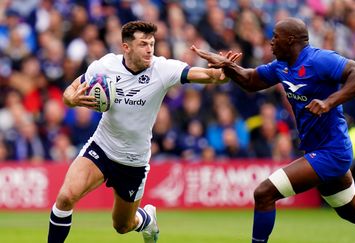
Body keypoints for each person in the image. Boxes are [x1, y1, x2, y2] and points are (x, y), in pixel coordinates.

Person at [191, 17, 355, 243]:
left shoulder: (320, 60)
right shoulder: (281, 66)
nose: (271, 41)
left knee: (264, 193)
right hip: (317, 149)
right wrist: (228, 66)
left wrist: (330, 101)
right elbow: (252, 81)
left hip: (331, 152)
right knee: (351, 210)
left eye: (275, 37)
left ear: (291, 40)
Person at [47, 21, 240, 243]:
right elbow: (69, 91)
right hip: (102, 146)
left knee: (122, 225)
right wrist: (71, 99)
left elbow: (208, 76)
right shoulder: (104, 66)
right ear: (126, 47)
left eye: (152, 43)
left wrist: (222, 72)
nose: (150, 49)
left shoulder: (162, 69)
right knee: (65, 197)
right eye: (143, 44)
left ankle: (146, 220)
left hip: (133, 161)